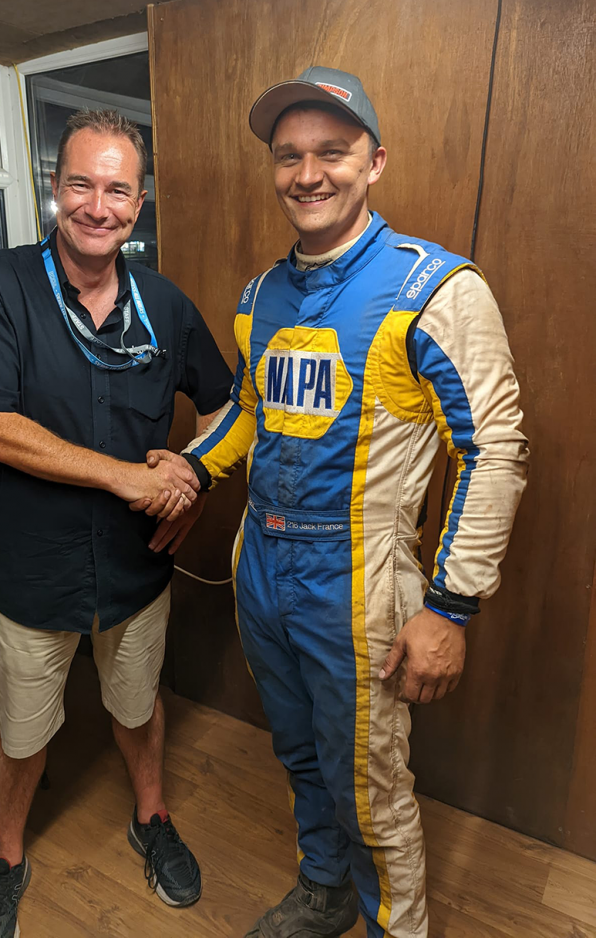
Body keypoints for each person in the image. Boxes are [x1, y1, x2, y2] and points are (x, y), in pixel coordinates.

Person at [147, 68, 529, 937]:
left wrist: (450, 607)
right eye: (288, 156)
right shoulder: (260, 295)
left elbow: (493, 449)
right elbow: (251, 409)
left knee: (370, 777)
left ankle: (398, 926)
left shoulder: (434, 288)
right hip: (264, 570)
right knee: (300, 751)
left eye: (331, 151)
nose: (307, 174)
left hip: (358, 582)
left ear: (374, 161)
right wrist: (193, 469)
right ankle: (323, 891)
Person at [0, 108, 232, 937]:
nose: (97, 206)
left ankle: (151, 817)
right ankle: (5, 859)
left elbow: (225, 405)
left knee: (137, 708)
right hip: (35, 572)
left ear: (138, 204)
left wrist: (193, 479)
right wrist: (127, 480)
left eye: (117, 190)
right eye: (80, 184)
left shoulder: (164, 305)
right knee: (22, 731)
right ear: (54, 189)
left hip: (136, 572)